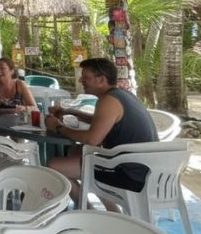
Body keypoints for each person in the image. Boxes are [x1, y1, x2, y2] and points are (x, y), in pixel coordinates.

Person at [45, 57, 158, 210]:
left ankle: (87, 209)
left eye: (86, 77)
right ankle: (111, 210)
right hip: (145, 167)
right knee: (74, 151)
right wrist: (70, 112)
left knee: (53, 165)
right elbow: (100, 120)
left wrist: (58, 127)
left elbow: (92, 139)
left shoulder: (109, 101)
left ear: (101, 79)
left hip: (130, 173)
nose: (80, 80)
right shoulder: (121, 95)